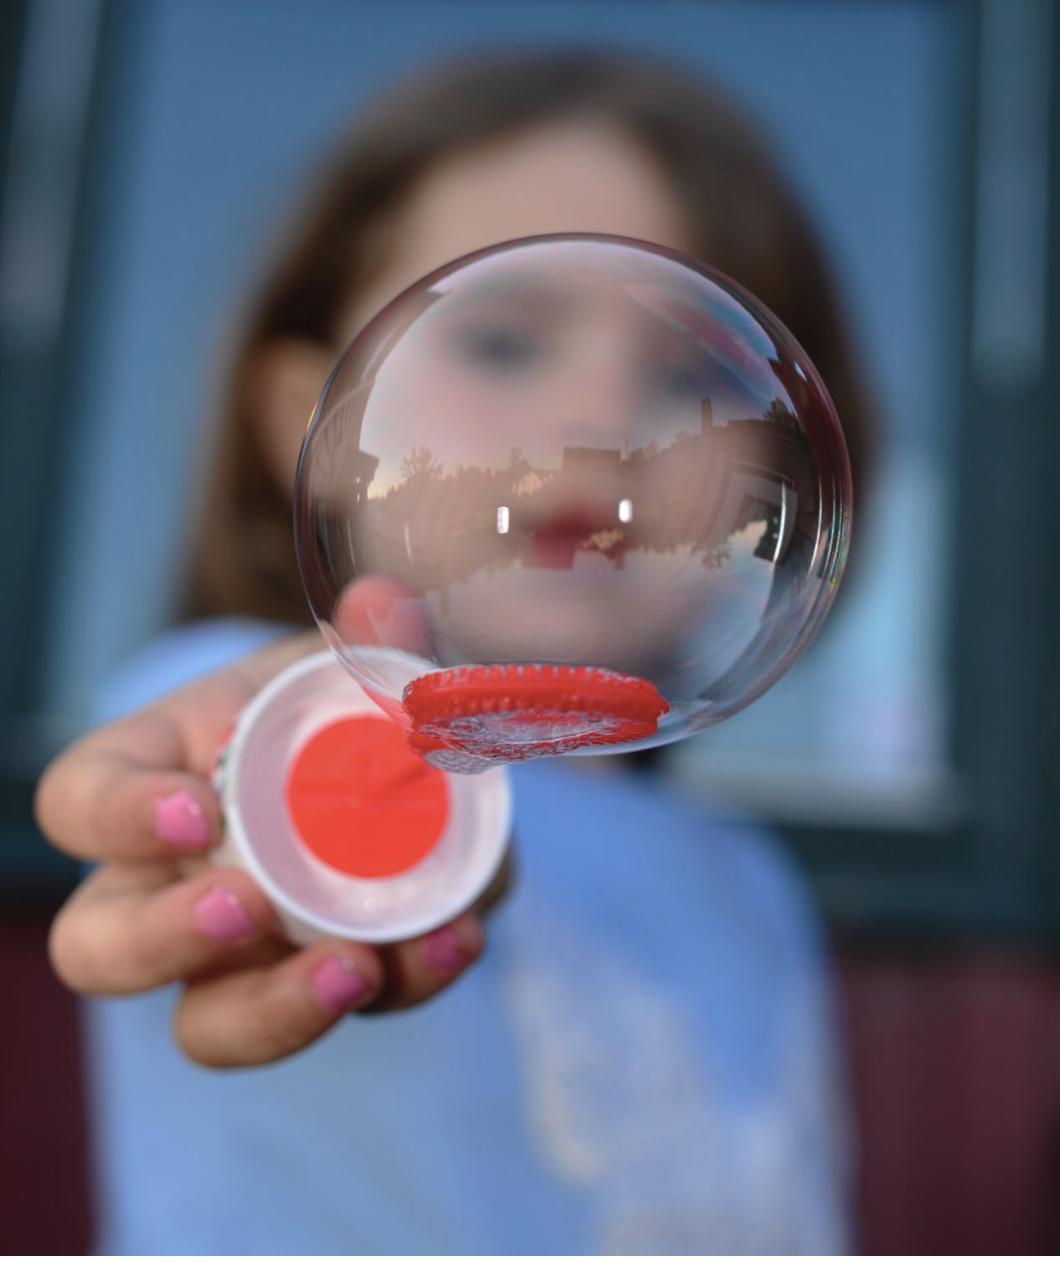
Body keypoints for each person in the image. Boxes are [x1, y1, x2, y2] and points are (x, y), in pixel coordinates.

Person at [35, 50, 874, 1254]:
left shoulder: (747, 877)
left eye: (691, 372)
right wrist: (259, 790)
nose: (599, 416)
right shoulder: (261, 707)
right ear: (301, 425)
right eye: (505, 344)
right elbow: (233, 753)